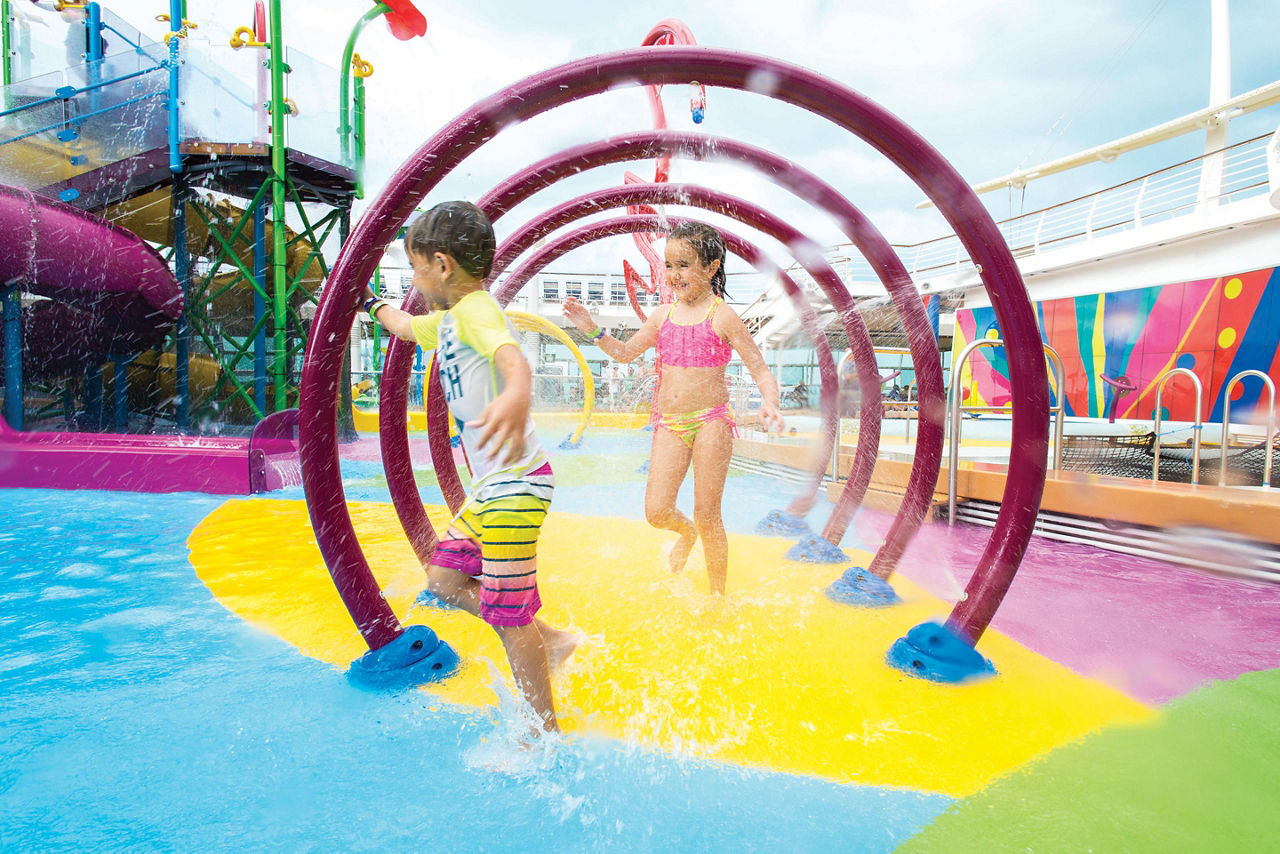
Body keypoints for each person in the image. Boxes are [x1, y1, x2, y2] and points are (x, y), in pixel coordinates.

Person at [362, 200, 576, 735]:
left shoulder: (478, 311)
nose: (414, 279)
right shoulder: (450, 322)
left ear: (441, 264)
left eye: (414, 268)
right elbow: (406, 326)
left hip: (516, 487)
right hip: (492, 489)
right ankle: (552, 641)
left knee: (509, 617)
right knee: (444, 581)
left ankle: (541, 731)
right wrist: (369, 303)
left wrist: (518, 396)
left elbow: (511, 357)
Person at [562, 222, 783, 594]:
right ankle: (686, 533)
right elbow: (625, 352)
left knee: (708, 512)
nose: (673, 275)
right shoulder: (661, 317)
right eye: (668, 265)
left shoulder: (722, 316)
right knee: (657, 511)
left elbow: (759, 368)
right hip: (670, 423)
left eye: (683, 264)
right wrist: (591, 329)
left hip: (711, 420)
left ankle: (717, 596)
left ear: (711, 267)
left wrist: (771, 403)